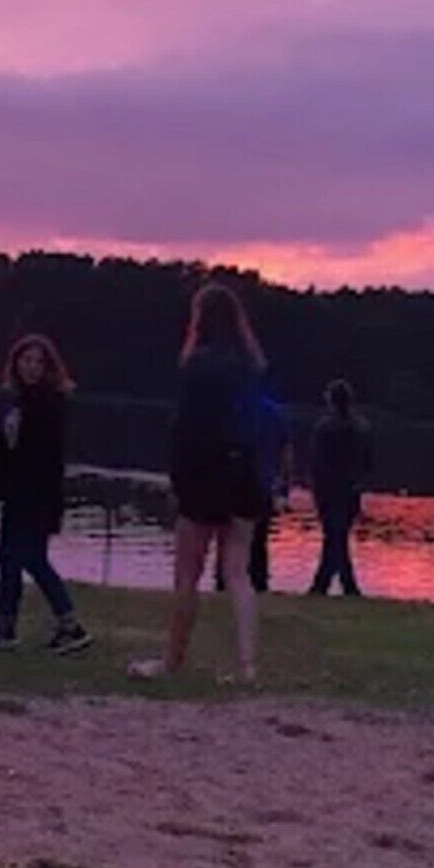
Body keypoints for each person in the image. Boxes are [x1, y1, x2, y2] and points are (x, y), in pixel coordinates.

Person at [130, 283, 267, 684]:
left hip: (203, 476)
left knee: (188, 574)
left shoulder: (196, 367)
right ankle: (247, 665)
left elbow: (186, 428)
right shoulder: (251, 367)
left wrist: (177, 478)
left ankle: (171, 661)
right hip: (243, 475)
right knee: (238, 573)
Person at [0, 333, 91, 655]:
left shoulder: (50, 404)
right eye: (27, 360)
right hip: (15, 495)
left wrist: (52, 508)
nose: (32, 367)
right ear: (16, 363)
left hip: (37, 497)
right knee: (7, 557)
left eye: (39, 362)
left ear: (49, 367)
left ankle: (71, 625)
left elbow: (50, 461)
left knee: (32, 558)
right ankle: (4, 625)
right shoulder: (14, 402)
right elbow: (2, 456)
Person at [307, 380, 374, 598]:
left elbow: (317, 462)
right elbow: (368, 462)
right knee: (338, 535)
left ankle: (327, 584)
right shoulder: (362, 428)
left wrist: (315, 486)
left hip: (329, 489)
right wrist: (360, 482)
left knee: (334, 536)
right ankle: (339, 584)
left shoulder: (324, 428)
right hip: (351, 489)